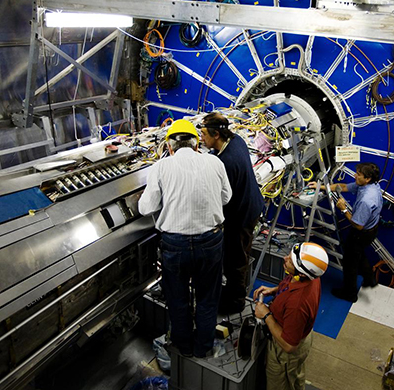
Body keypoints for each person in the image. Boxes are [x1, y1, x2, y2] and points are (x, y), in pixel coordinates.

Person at [138, 119, 232, 358]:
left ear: (170, 146)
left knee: (178, 299)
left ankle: (184, 348)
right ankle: (204, 348)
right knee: (207, 299)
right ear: (196, 144)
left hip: (175, 245)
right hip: (210, 241)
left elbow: (145, 208)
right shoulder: (215, 162)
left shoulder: (161, 167)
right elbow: (226, 197)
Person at [199, 112, 265, 314]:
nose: (201, 138)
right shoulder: (237, 140)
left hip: (240, 216)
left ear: (216, 135)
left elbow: (221, 200)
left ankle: (235, 303)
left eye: (203, 134)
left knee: (236, 260)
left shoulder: (226, 163)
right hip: (252, 205)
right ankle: (233, 292)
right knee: (241, 253)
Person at [254, 242, 328, 390]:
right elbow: (290, 284)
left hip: (285, 351)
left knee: (282, 383)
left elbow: (289, 345)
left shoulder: (297, 305)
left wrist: (266, 315)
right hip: (299, 332)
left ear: (301, 273)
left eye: (290, 260)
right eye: (289, 255)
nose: (284, 258)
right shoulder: (311, 276)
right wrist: (275, 290)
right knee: (294, 377)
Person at [308, 162, 382, 302]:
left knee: (349, 263)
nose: (355, 175)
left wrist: (343, 209)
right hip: (371, 230)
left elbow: (358, 225)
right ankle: (370, 279)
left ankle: (349, 294)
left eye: (358, 175)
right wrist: (320, 186)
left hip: (361, 233)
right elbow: (342, 187)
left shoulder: (366, 200)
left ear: (367, 178)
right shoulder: (369, 185)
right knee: (359, 254)